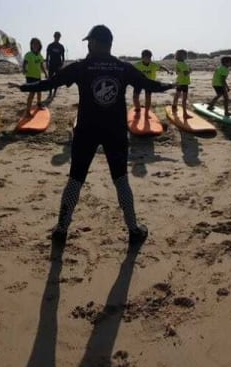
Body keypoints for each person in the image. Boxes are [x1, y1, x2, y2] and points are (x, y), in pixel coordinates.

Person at [18, 24, 170, 246]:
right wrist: (170, 85)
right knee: (121, 181)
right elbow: (150, 85)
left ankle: (61, 230)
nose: (88, 45)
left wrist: (25, 87)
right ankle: (134, 230)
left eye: (89, 41)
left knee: (75, 180)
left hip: (86, 131)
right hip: (115, 132)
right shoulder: (123, 67)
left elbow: (51, 83)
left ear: (97, 43)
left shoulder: (82, 66)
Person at [22, 38, 47, 113]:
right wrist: (24, 69)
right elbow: (24, 63)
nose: (35, 45)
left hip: (38, 76)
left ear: (39, 46)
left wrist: (45, 73)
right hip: (30, 77)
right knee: (32, 93)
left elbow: (42, 66)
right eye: (34, 44)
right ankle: (28, 111)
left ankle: (39, 104)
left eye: (37, 44)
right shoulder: (28, 54)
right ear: (31, 45)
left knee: (39, 91)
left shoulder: (40, 55)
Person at [170, 49, 192, 117]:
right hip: (184, 83)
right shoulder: (183, 64)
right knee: (184, 99)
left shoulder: (178, 63)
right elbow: (185, 73)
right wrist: (190, 71)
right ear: (182, 56)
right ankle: (185, 113)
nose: (186, 56)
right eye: (185, 55)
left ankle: (174, 107)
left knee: (177, 95)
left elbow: (177, 72)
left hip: (179, 81)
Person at [45, 32, 66, 98]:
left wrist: (61, 65)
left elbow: (63, 57)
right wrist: (47, 63)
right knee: (50, 79)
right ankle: (50, 92)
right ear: (54, 37)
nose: (57, 38)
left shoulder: (61, 46)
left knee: (57, 79)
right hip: (51, 64)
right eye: (56, 36)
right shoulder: (50, 45)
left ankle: (55, 92)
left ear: (60, 38)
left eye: (58, 37)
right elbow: (47, 56)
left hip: (58, 65)